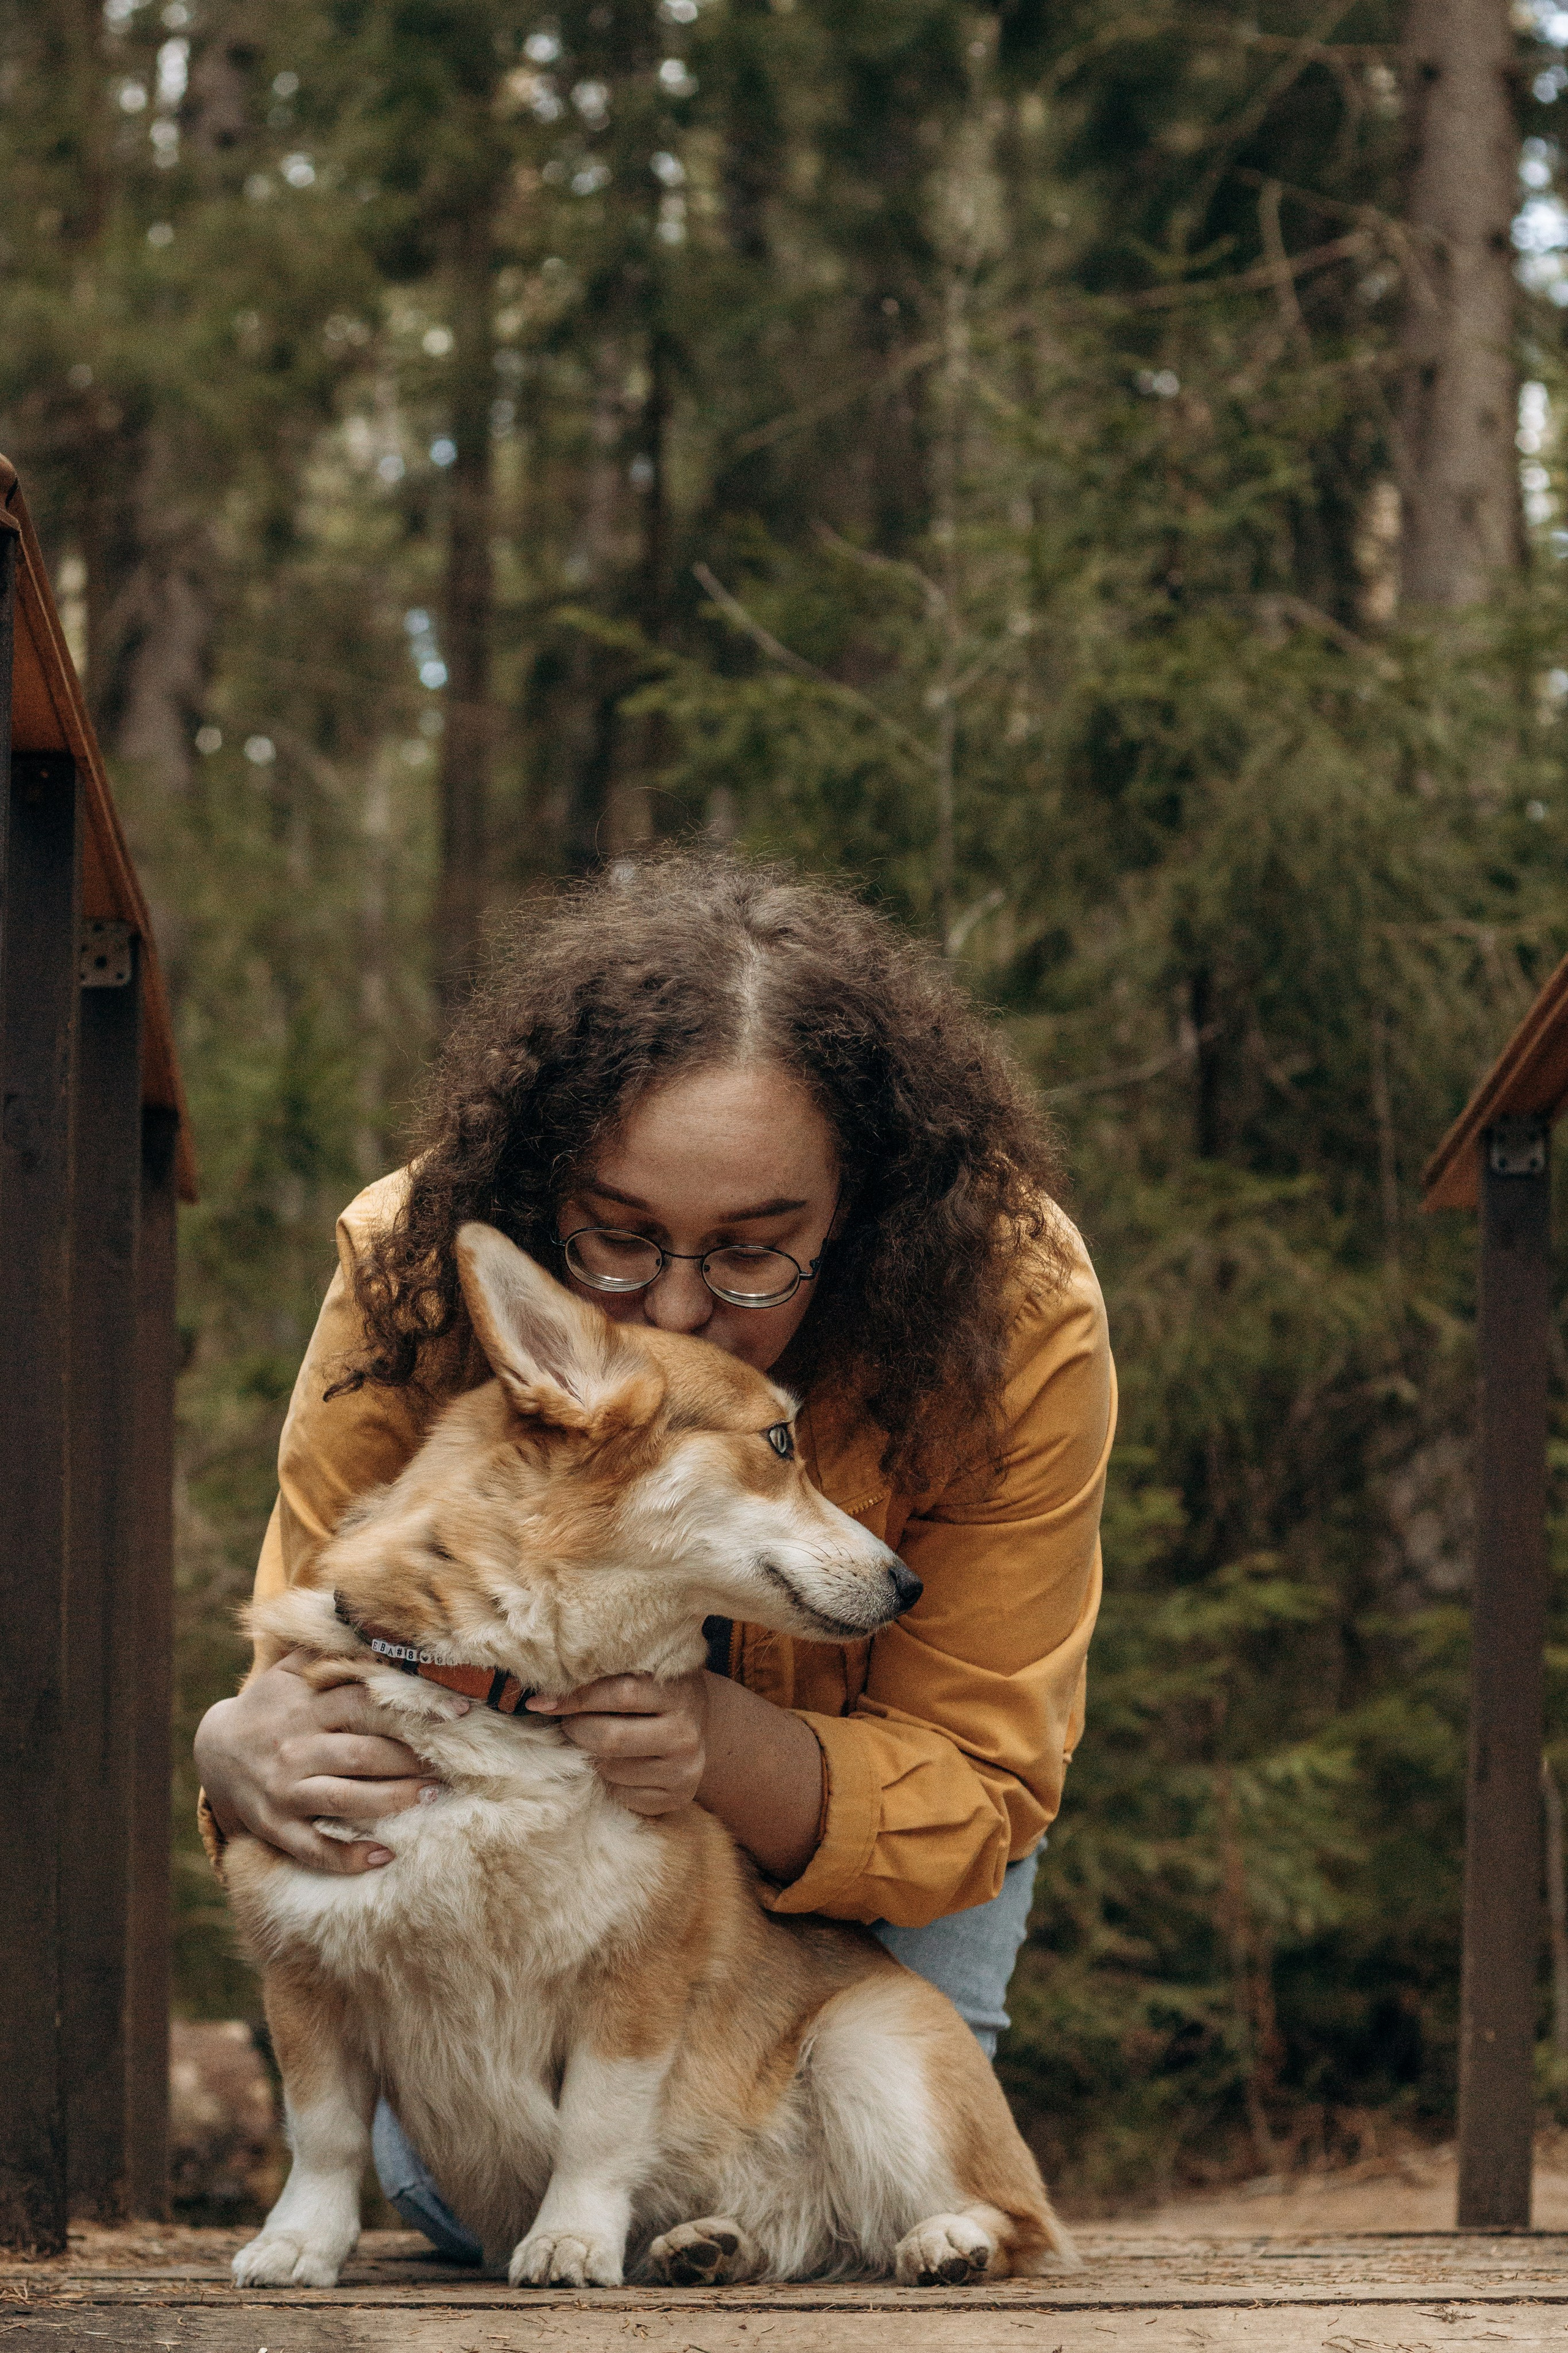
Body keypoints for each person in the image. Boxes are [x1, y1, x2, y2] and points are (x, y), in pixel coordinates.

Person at [194, 852, 1115, 2264]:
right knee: (461, 2190)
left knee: (885, 2142)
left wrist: (725, 1748)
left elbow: (987, 1773)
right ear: (547, 1175)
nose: (678, 1308)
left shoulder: (1010, 1303)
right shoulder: (417, 1257)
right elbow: (322, 1634)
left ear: (857, 1210)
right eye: (618, 1237)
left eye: (754, 1250)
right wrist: (234, 1747)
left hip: (870, 1863)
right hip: (499, 1793)